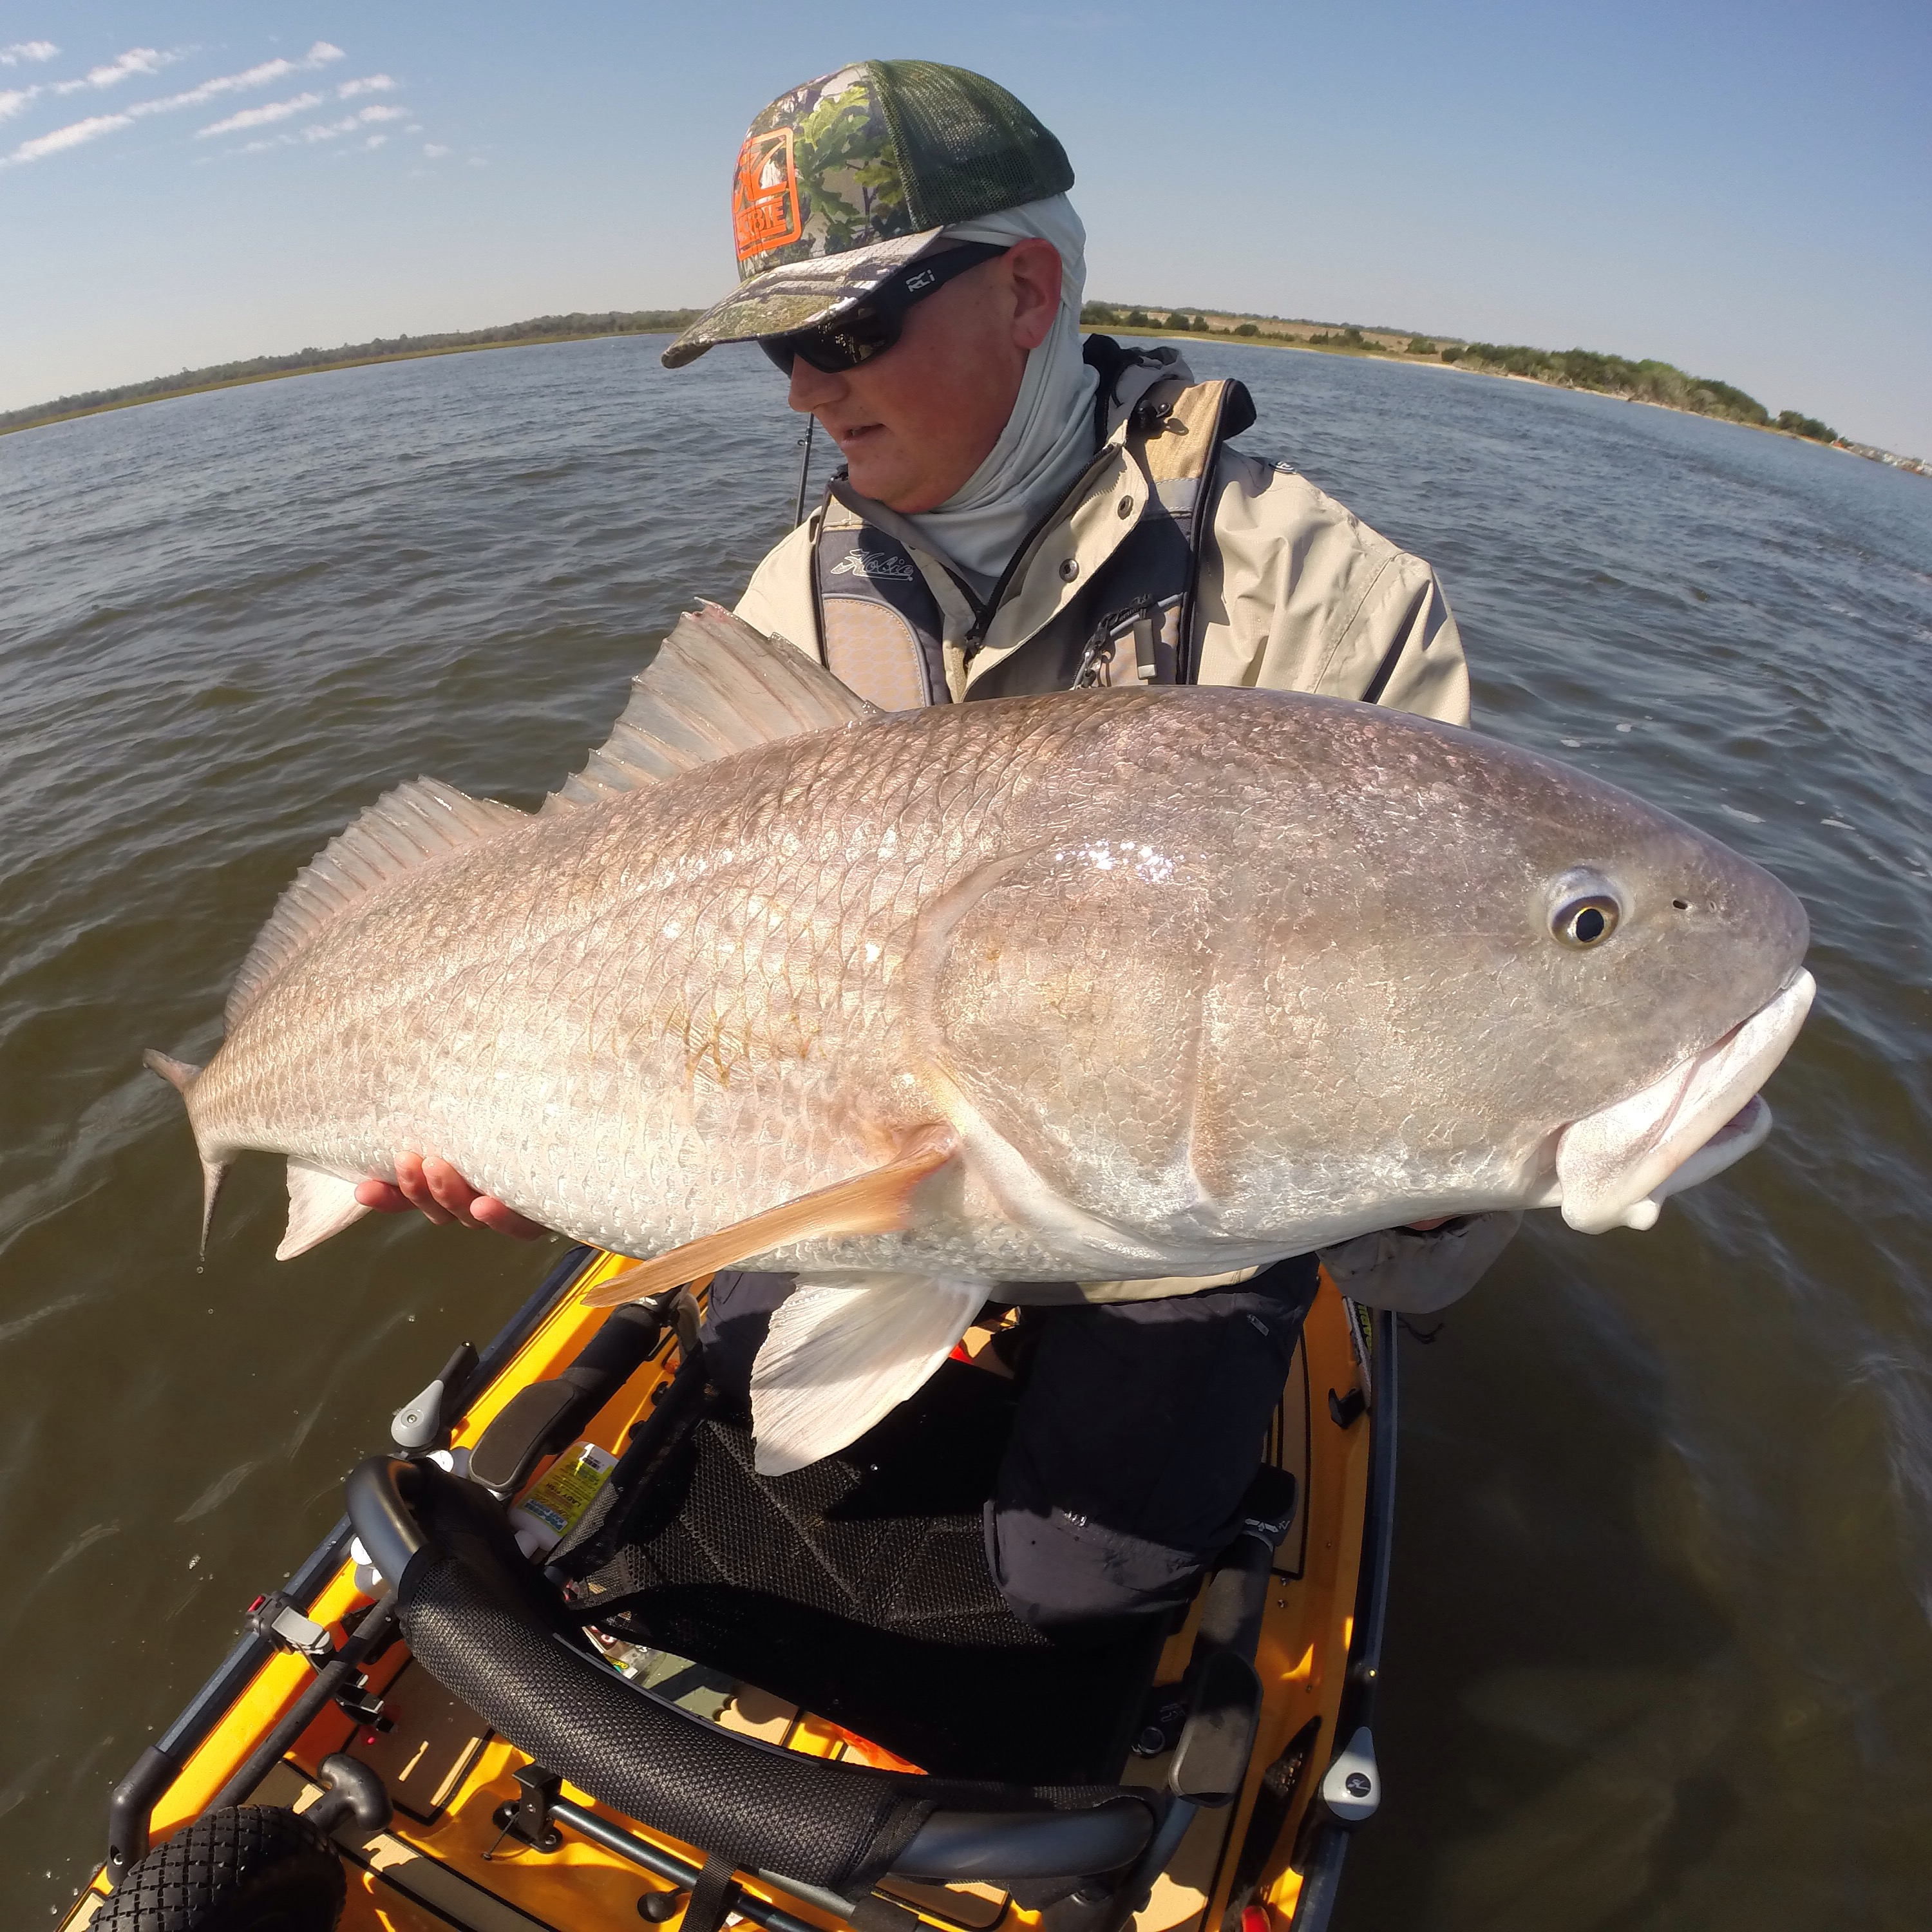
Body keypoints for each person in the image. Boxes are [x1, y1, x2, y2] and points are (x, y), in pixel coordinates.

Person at [359, 60, 1518, 1627]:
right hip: (876, 1147)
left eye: (845, 331)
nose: (803, 391)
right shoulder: (792, 604)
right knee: (739, 1400)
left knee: (1074, 1580)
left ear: (1028, 288)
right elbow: (637, 936)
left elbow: (1467, 1068)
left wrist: (1462, 1176)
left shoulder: (1337, 610)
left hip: (1181, 1213)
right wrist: (504, 1120)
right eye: (781, 343)